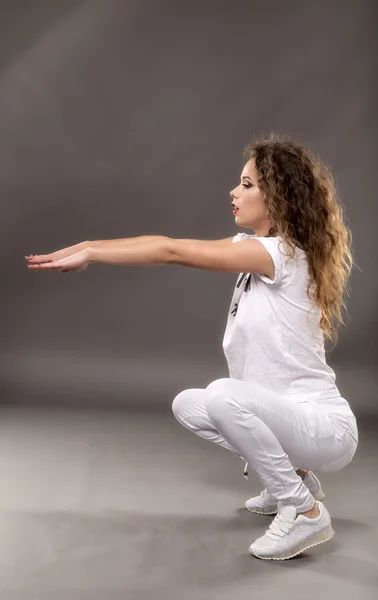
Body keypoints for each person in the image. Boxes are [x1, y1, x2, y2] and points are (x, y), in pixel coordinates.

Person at [25, 133, 358, 561]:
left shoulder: (281, 256)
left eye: (247, 184)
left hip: (325, 428)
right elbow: (167, 244)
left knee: (222, 395)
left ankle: (304, 510)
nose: (234, 192)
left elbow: (171, 251)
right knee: (190, 404)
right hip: (293, 422)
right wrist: (91, 246)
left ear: (278, 196)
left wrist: (91, 251)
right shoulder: (255, 251)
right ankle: (293, 478)